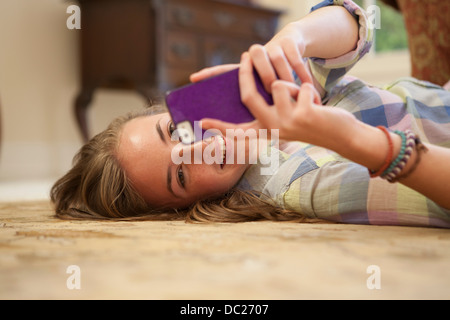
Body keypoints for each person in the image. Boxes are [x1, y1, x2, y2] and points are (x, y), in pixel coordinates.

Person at [51, 0, 450, 228]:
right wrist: (347, 138)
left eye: (176, 131)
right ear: (189, 206)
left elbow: (355, 27)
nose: (200, 147)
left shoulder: (264, 100)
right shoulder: (301, 186)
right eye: (181, 175)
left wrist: (293, 39)